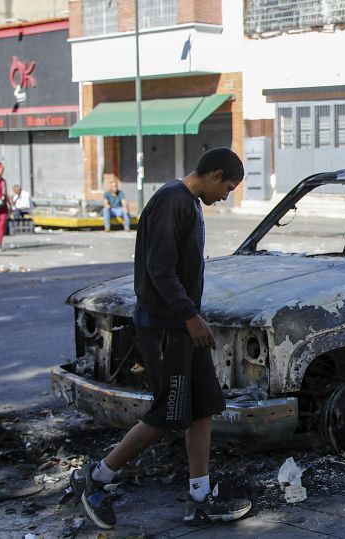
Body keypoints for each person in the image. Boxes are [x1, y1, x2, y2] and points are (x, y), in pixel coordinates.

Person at [69, 148, 251, 529]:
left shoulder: (187, 202)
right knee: (168, 414)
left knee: (201, 409)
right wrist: (190, 317)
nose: (227, 195)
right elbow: (160, 269)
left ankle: (200, 498)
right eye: (229, 187)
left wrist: (194, 320)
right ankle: (99, 476)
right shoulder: (172, 200)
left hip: (185, 328)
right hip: (168, 329)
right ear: (214, 174)